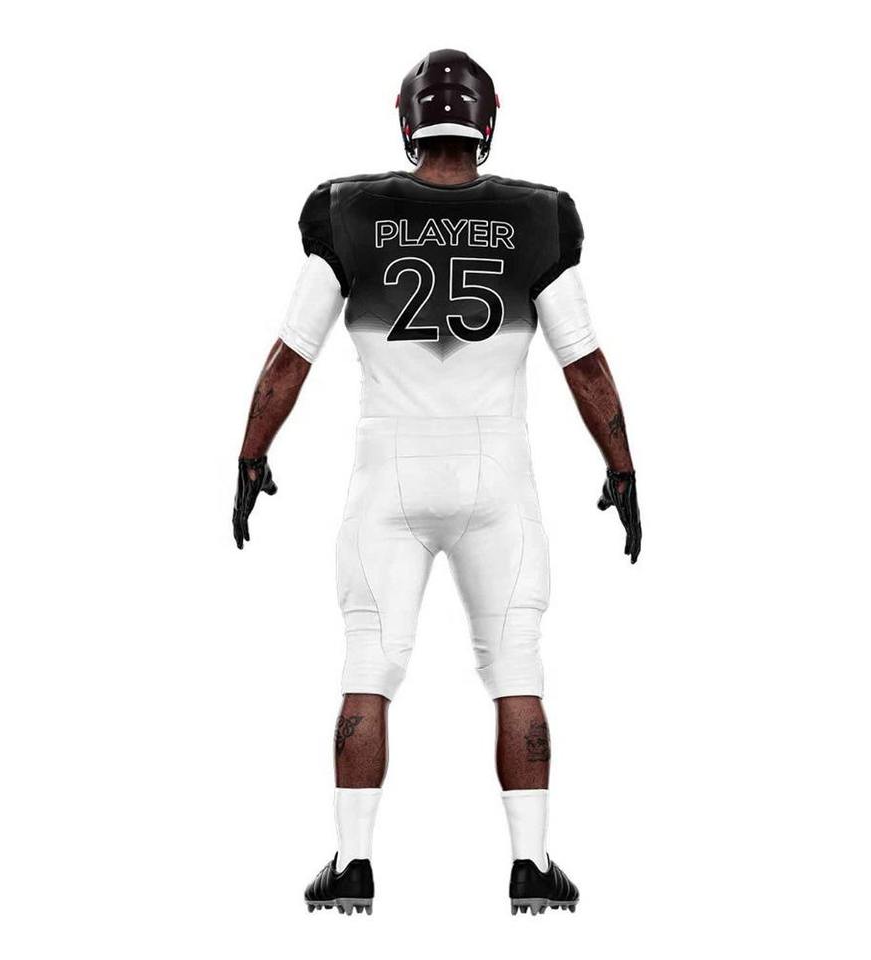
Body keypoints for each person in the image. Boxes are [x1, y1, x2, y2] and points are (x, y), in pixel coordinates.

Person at [233, 49, 641, 916]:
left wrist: (251, 453)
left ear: (407, 119)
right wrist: (622, 466)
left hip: (388, 465)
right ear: (487, 120)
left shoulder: (348, 211)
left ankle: (352, 865)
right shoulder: (538, 216)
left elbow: (290, 355)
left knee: (368, 665)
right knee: (518, 666)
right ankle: (531, 866)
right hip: (498, 467)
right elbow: (585, 363)